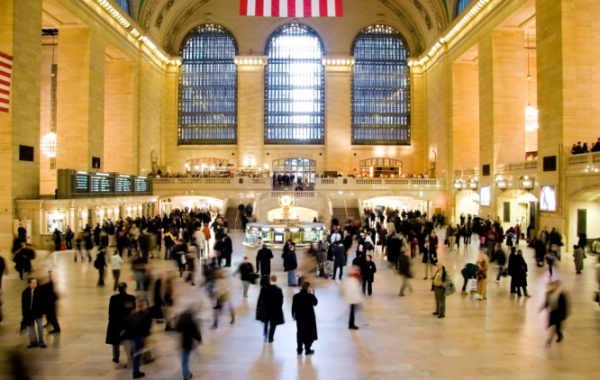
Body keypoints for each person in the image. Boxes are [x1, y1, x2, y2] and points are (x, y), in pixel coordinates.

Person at [106, 282, 136, 365]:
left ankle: (116, 357)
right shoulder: (131, 298)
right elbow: (132, 311)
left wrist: (111, 321)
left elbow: (110, 311)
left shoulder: (113, 298)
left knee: (115, 342)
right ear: (125, 288)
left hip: (115, 323)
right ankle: (131, 355)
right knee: (129, 340)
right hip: (127, 323)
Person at [124, 298, 152, 379]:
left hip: (134, 336)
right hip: (138, 336)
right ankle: (136, 372)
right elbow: (145, 326)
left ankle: (136, 369)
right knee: (137, 354)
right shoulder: (141, 315)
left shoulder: (132, 316)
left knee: (137, 352)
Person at [291, 282, 318, 355]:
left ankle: (299, 349)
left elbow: (293, 307)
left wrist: (293, 315)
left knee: (300, 332)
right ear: (308, 288)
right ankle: (307, 349)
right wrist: (312, 294)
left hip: (299, 318)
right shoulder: (309, 296)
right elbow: (315, 303)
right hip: (309, 318)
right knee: (309, 333)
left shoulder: (296, 296)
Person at [256, 275, 284, 343]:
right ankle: (271, 337)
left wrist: (258, 306)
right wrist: (279, 307)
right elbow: (281, 300)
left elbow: (260, 299)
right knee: (273, 324)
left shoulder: (264, 289)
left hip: (266, 307)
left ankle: (265, 332)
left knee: (266, 321)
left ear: (270, 280)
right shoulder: (278, 290)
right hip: (275, 309)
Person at [176, 308, 202, 380]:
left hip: (182, 341)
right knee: (185, 359)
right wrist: (199, 339)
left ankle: (187, 372)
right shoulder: (191, 322)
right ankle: (186, 374)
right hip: (188, 342)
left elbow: (177, 328)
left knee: (185, 358)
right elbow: (195, 333)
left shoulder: (181, 321)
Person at [540, 280, 569, 346]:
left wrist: (564, 315)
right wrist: (541, 308)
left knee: (556, 328)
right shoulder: (548, 293)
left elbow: (565, 306)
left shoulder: (562, 294)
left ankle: (554, 338)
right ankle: (551, 339)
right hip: (552, 313)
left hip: (559, 313)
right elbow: (547, 303)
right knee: (551, 327)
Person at [21, 278, 46, 348]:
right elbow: (23, 305)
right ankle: (33, 342)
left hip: (38, 312)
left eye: (36, 282)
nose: (35, 284)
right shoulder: (25, 292)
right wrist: (24, 315)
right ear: (29, 284)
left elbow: (43, 302)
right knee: (31, 328)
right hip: (29, 313)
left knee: (40, 327)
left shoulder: (40, 291)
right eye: (33, 283)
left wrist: (44, 312)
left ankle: (41, 341)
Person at [343, 266, 363, 330]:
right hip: (352, 300)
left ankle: (351, 324)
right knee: (352, 312)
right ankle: (351, 325)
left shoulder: (352, 280)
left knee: (353, 312)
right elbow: (353, 291)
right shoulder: (352, 281)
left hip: (353, 299)